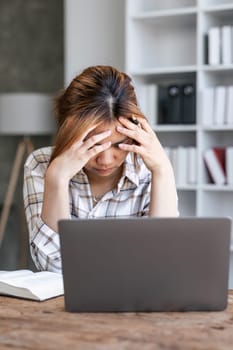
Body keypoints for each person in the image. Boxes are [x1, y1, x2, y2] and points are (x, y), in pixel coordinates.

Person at [23, 65, 179, 273]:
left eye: (118, 144)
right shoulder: (42, 164)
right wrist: (57, 180)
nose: (105, 160)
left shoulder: (148, 169)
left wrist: (163, 170)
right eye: (94, 145)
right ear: (68, 132)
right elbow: (53, 269)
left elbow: (163, 262)